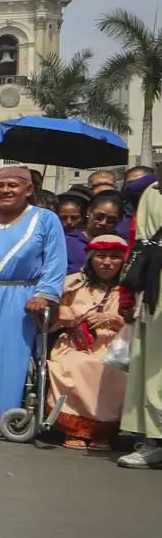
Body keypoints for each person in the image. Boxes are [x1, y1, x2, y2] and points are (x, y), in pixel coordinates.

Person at [0, 166, 68, 432]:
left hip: (21, 298)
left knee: (10, 358)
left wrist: (44, 295)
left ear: (28, 190)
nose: (5, 191)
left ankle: (5, 415)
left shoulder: (45, 219)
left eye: (13, 186)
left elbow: (55, 260)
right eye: (0, 185)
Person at [47, 235, 131, 451]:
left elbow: (139, 324)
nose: (107, 262)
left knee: (111, 368)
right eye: (101, 256)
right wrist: (63, 311)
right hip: (74, 344)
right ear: (91, 259)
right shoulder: (74, 283)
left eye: (114, 257)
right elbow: (52, 314)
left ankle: (102, 433)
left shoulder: (129, 289)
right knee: (76, 365)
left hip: (114, 346)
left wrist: (115, 321)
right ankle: (73, 429)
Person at [118, 184, 162, 467]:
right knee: (153, 368)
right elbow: (140, 244)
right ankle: (155, 441)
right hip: (156, 290)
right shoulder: (154, 192)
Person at [55, 192, 90, 273]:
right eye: (63, 218)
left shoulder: (87, 239)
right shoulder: (51, 239)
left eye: (74, 218)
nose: (69, 222)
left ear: (82, 217)